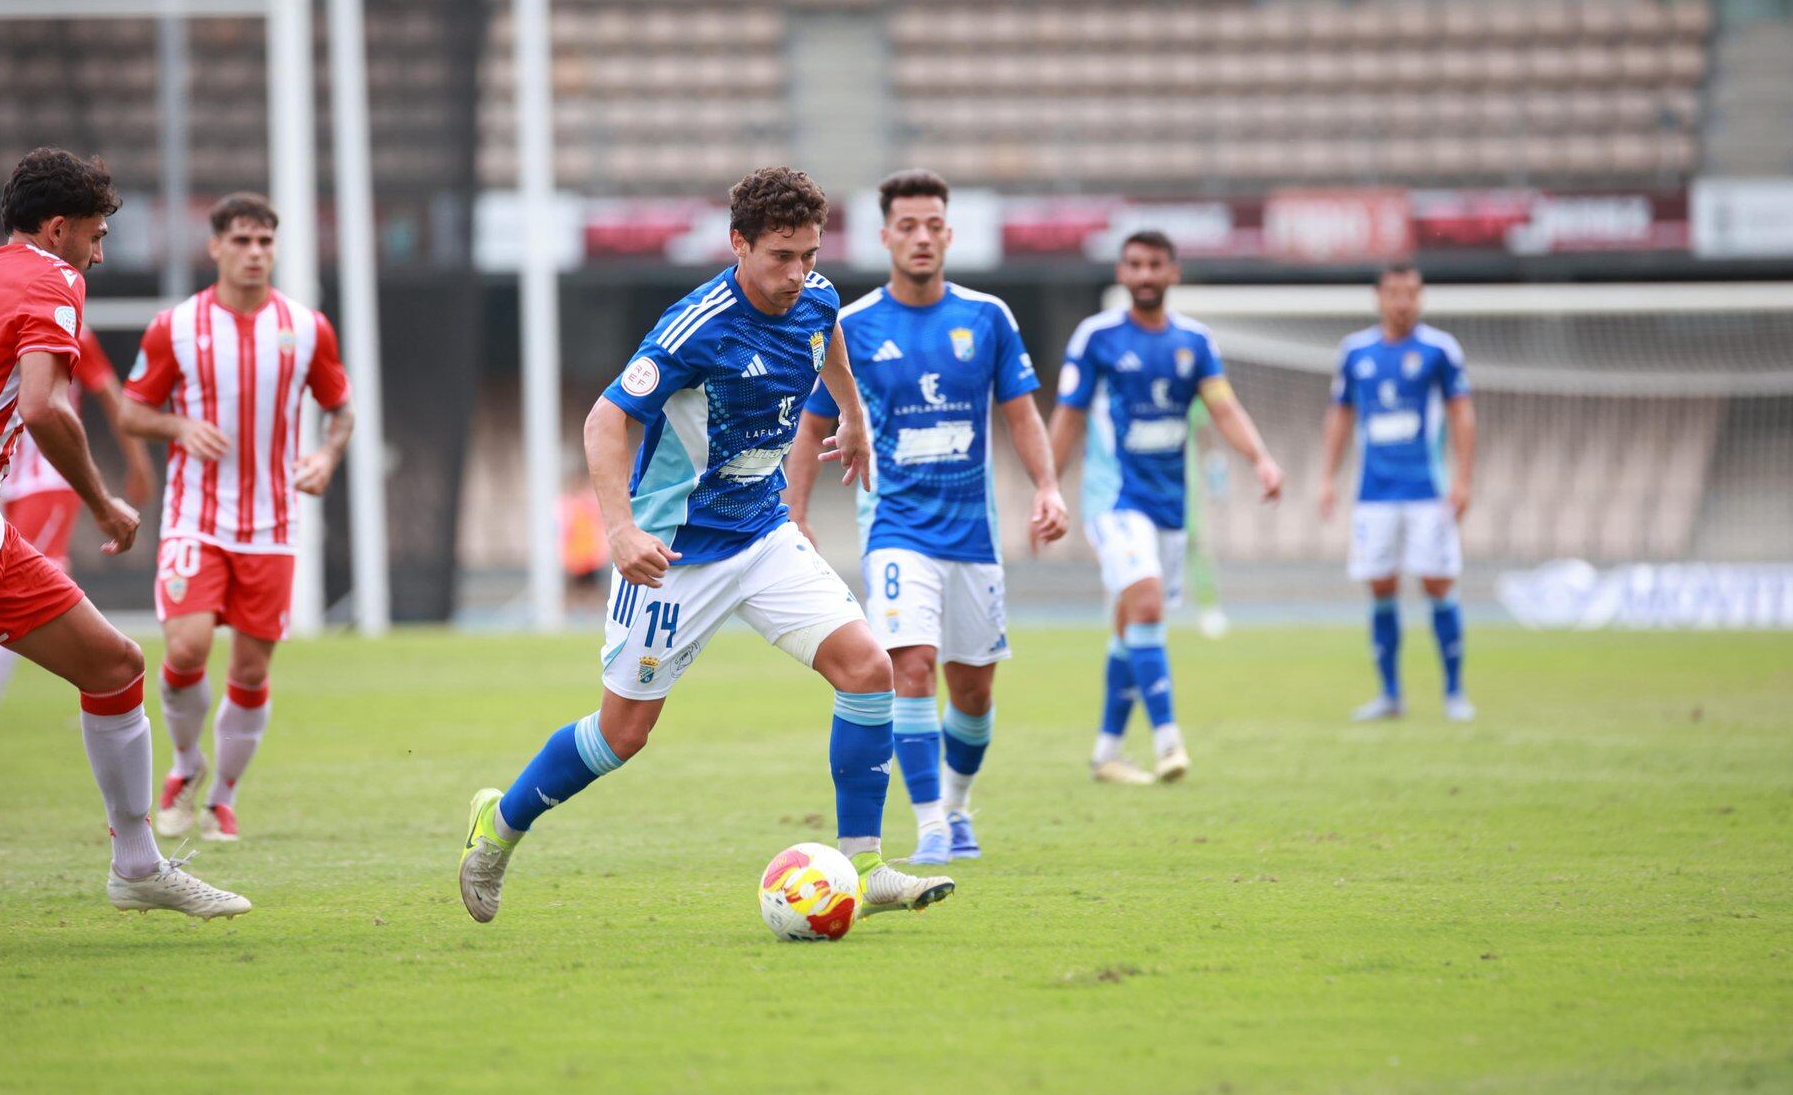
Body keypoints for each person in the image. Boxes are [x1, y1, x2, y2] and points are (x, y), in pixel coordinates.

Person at [456, 166, 954, 924]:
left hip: (761, 532)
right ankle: (500, 825)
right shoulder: (696, 328)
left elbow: (831, 346)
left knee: (867, 667)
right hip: (676, 555)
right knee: (623, 735)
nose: (798, 274)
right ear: (738, 245)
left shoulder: (815, 299)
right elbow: (604, 421)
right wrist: (620, 529)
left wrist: (850, 415)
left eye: (810, 256)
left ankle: (864, 863)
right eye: (781, 256)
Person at [0, 147, 248, 918]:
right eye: (95, 237)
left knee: (115, 666)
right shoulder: (52, 279)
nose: (98, 255)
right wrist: (102, 502)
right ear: (58, 229)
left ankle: (137, 867)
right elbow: (41, 408)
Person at [780, 168, 1067, 865]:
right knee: (911, 668)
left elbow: (1022, 413)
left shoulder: (987, 317)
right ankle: (932, 822)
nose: (920, 236)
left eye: (932, 224)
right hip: (896, 529)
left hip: (973, 534)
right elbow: (811, 423)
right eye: (906, 225)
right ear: (884, 237)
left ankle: (960, 804)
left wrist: (1049, 487)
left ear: (948, 233)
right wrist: (795, 515)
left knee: (973, 689)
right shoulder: (851, 325)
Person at [118, 192, 352, 843]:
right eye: (242, 240)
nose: (254, 253)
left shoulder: (307, 328)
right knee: (186, 648)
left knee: (250, 671)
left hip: (273, 524)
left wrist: (327, 457)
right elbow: (132, 411)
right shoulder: (176, 326)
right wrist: (177, 425)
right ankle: (186, 767)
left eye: (265, 242)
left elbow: (342, 408)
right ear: (215, 246)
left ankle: (223, 795)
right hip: (194, 517)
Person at [1048, 231, 1284, 784]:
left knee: (1133, 622)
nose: (1146, 274)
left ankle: (1107, 751)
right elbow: (1069, 416)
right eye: (1135, 265)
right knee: (1148, 605)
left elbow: (1223, 408)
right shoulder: (1097, 337)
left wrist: (1261, 459)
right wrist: (1048, 488)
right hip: (1114, 498)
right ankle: (1168, 741)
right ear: (1121, 273)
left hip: (1169, 504)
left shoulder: (1195, 342)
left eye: (1155, 265)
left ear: (1173, 272)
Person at [0, 323, 155, 728]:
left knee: (9, 581)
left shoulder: (71, 331)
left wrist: (139, 462)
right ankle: (107, 681)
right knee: (46, 579)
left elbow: (111, 396)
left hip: (49, 476)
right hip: (2, 479)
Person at [1318, 262, 1477, 722]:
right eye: (1394, 293)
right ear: (1379, 296)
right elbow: (1340, 415)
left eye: (1410, 293)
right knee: (1381, 587)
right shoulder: (1355, 352)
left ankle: (1454, 693)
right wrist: (1328, 476)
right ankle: (1390, 694)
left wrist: (1463, 478)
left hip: (1428, 491)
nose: (1402, 302)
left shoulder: (1439, 350)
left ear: (1421, 296)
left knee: (1438, 583)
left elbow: (1462, 413)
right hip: (1374, 493)